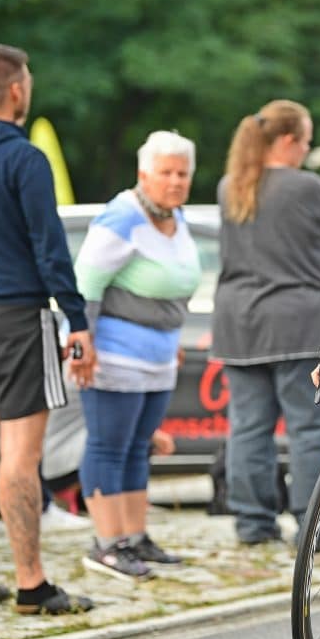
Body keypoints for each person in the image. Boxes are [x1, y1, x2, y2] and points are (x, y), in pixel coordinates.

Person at [0, 43, 95, 614]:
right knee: (19, 452)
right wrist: (77, 321)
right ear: (15, 90)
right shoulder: (24, 159)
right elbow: (49, 250)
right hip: (16, 318)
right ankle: (32, 584)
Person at [211, 99, 320, 547]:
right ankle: (318, 530)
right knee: (310, 430)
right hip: (300, 323)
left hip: (239, 324)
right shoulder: (305, 187)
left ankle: (252, 525)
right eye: (306, 142)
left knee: (248, 430)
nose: (307, 152)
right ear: (288, 141)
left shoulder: (230, 185)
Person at [74, 130, 200, 581]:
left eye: (182, 173)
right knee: (108, 445)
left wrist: (175, 339)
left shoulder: (177, 216)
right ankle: (105, 544)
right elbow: (84, 284)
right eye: (165, 172)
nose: (175, 180)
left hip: (160, 356)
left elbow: (174, 288)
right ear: (143, 173)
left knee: (137, 449)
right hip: (114, 355)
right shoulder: (121, 215)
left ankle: (133, 537)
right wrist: (80, 342)